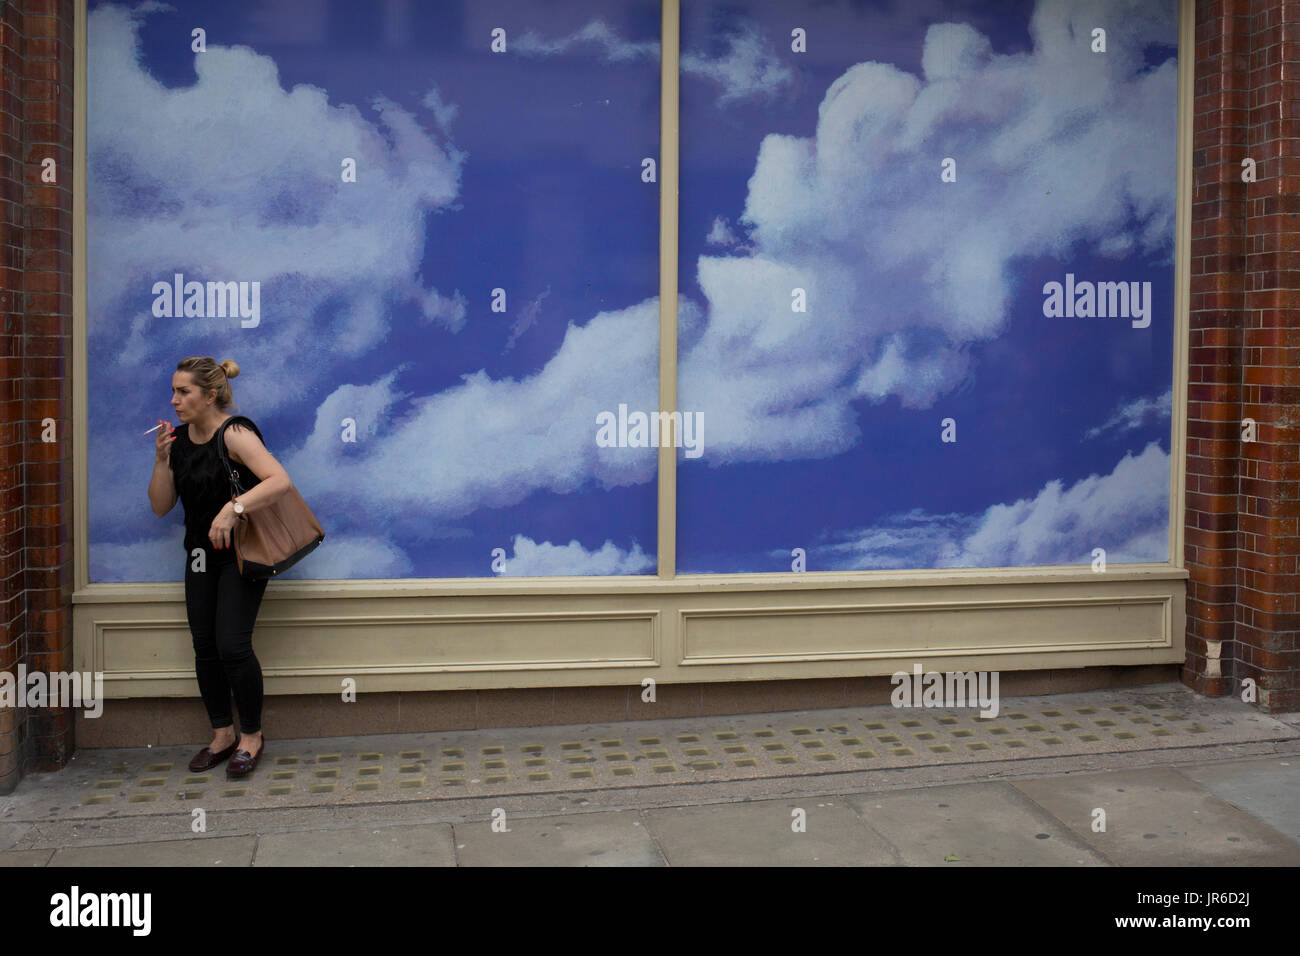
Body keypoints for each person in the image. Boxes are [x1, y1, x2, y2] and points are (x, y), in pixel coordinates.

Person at [147, 357, 294, 778]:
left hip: (241, 553)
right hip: (198, 555)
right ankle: (222, 735)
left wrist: (234, 508)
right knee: (205, 646)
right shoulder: (176, 438)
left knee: (232, 645)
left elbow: (279, 480)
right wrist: (161, 461)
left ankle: (251, 736)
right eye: (174, 391)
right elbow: (160, 507)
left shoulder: (235, 433)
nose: (174, 400)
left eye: (183, 392)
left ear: (210, 395)